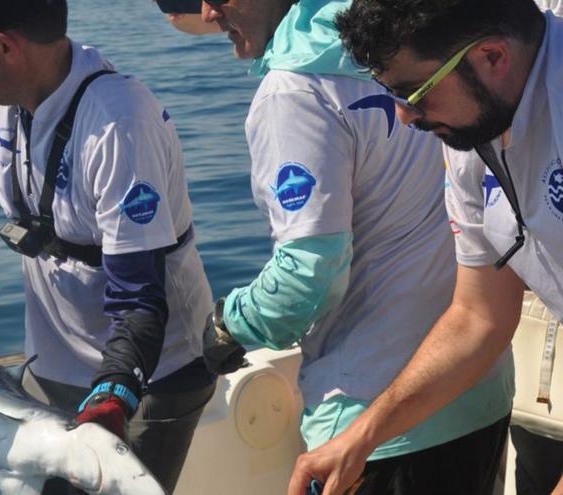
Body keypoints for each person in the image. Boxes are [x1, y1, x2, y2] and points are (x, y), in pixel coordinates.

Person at [0, 0, 216, 492]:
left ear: (3, 46)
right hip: (53, 362)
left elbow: (139, 303)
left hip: (152, 375)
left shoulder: (118, 125)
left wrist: (113, 396)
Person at [195, 0, 514, 493]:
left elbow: (306, 275)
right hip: (478, 389)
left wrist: (229, 324)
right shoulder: (416, 44)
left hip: (374, 422)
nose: (207, 12)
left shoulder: (295, 91)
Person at [287, 1, 563, 494]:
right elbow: (478, 317)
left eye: (411, 93)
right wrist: (362, 436)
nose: (404, 116)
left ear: (492, 57)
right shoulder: (471, 131)